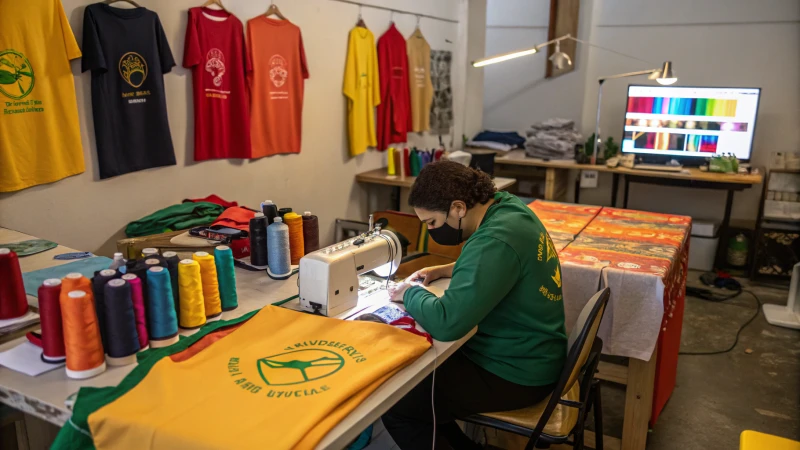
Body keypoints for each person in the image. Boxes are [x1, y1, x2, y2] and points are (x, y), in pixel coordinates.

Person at [382, 161, 567, 450]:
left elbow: (447, 322)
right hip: (533, 352)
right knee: (420, 381)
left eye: (431, 222)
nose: (431, 230)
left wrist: (407, 293)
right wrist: (450, 269)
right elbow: (503, 261)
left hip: (515, 372)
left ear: (458, 208)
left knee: (397, 402)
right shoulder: (507, 209)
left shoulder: (494, 238)